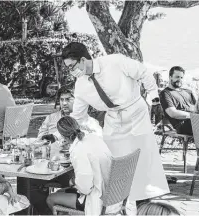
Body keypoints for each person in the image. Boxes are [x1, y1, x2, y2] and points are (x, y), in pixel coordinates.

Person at [61, 42, 169, 205]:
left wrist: (154, 98)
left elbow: (143, 73)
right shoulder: (81, 85)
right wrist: (63, 134)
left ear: (83, 60)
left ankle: (144, 202)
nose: (70, 71)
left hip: (136, 113)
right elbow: (78, 116)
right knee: (113, 162)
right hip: (113, 119)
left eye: (71, 66)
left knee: (141, 160)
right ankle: (119, 202)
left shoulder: (115, 62)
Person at [46, 116, 119, 215]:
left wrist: (73, 181)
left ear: (63, 136)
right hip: (114, 193)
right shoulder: (92, 137)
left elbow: (85, 188)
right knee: (60, 192)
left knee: (51, 198)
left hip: (98, 199)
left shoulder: (78, 150)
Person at [38, 86, 102, 143]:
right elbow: (40, 140)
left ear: (77, 101)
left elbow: (99, 140)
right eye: (62, 99)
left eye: (68, 99)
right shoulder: (50, 118)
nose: (64, 103)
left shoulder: (88, 121)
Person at [159, 66, 196, 135]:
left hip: (196, 121)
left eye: (181, 77)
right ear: (170, 77)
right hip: (183, 125)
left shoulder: (188, 92)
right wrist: (193, 116)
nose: (179, 79)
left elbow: (198, 108)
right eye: (177, 77)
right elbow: (172, 113)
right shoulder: (165, 93)